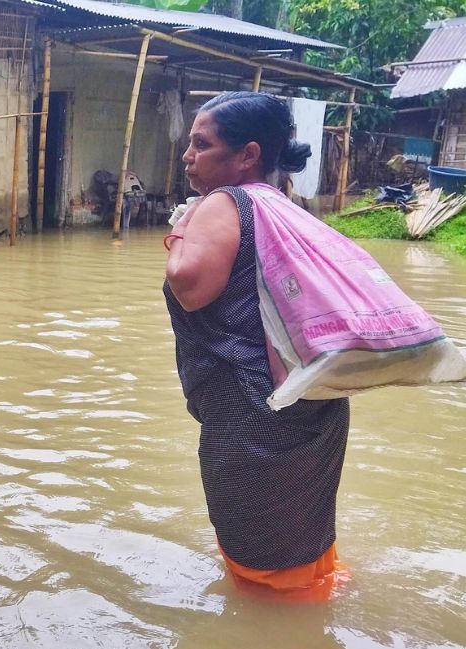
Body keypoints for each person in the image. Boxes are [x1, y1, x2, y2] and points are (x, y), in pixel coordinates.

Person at [163, 91, 350, 599]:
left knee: (259, 555)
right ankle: (316, 608)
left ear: (246, 155)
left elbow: (189, 285)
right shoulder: (283, 205)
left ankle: (272, 640)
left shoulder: (226, 202)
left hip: (254, 411)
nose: (188, 155)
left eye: (201, 145)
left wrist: (182, 226)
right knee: (302, 525)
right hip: (314, 397)